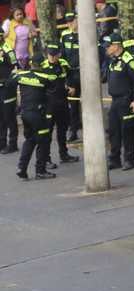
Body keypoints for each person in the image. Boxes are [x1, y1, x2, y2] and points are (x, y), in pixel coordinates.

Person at [14, 54, 56, 180]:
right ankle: (40, 171)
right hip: (38, 115)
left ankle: (22, 169)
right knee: (43, 141)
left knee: (30, 140)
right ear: (42, 65)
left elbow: (10, 82)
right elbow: (53, 91)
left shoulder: (21, 75)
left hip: (25, 114)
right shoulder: (45, 77)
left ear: (31, 64)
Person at [102, 33, 134, 170]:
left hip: (126, 100)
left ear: (116, 45)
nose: (107, 49)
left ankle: (129, 159)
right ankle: (114, 159)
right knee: (113, 131)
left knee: (127, 131)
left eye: (109, 46)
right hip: (115, 101)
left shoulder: (129, 60)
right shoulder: (112, 60)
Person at [40, 42, 78, 167]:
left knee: (62, 130)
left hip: (62, 102)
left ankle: (64, 154)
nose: (52, 57)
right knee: (47, 133)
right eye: (50, 55)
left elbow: (71, 74)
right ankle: (45, 159)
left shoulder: (63, 64)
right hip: (48, 104)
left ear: (59, 54)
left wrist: (71, 85)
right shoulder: (42, 66)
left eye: (54, 55)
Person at [59, 11, 81, 141]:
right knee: (73, 104)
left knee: (90, 103)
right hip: (72, 73)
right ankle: (73, 132)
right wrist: (68, 80)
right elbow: (63, 56)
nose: (69, 23)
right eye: (67, 21)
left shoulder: (85, 32)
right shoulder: (64, 34)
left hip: (85, 72)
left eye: (72, 20)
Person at [0, 40, 18, 153]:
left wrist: (8, 82)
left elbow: (16, 68)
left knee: (9, 117)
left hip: (7, 89)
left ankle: (13, 144)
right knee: (0, 117)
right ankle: (2, 143)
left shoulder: (7, 50)